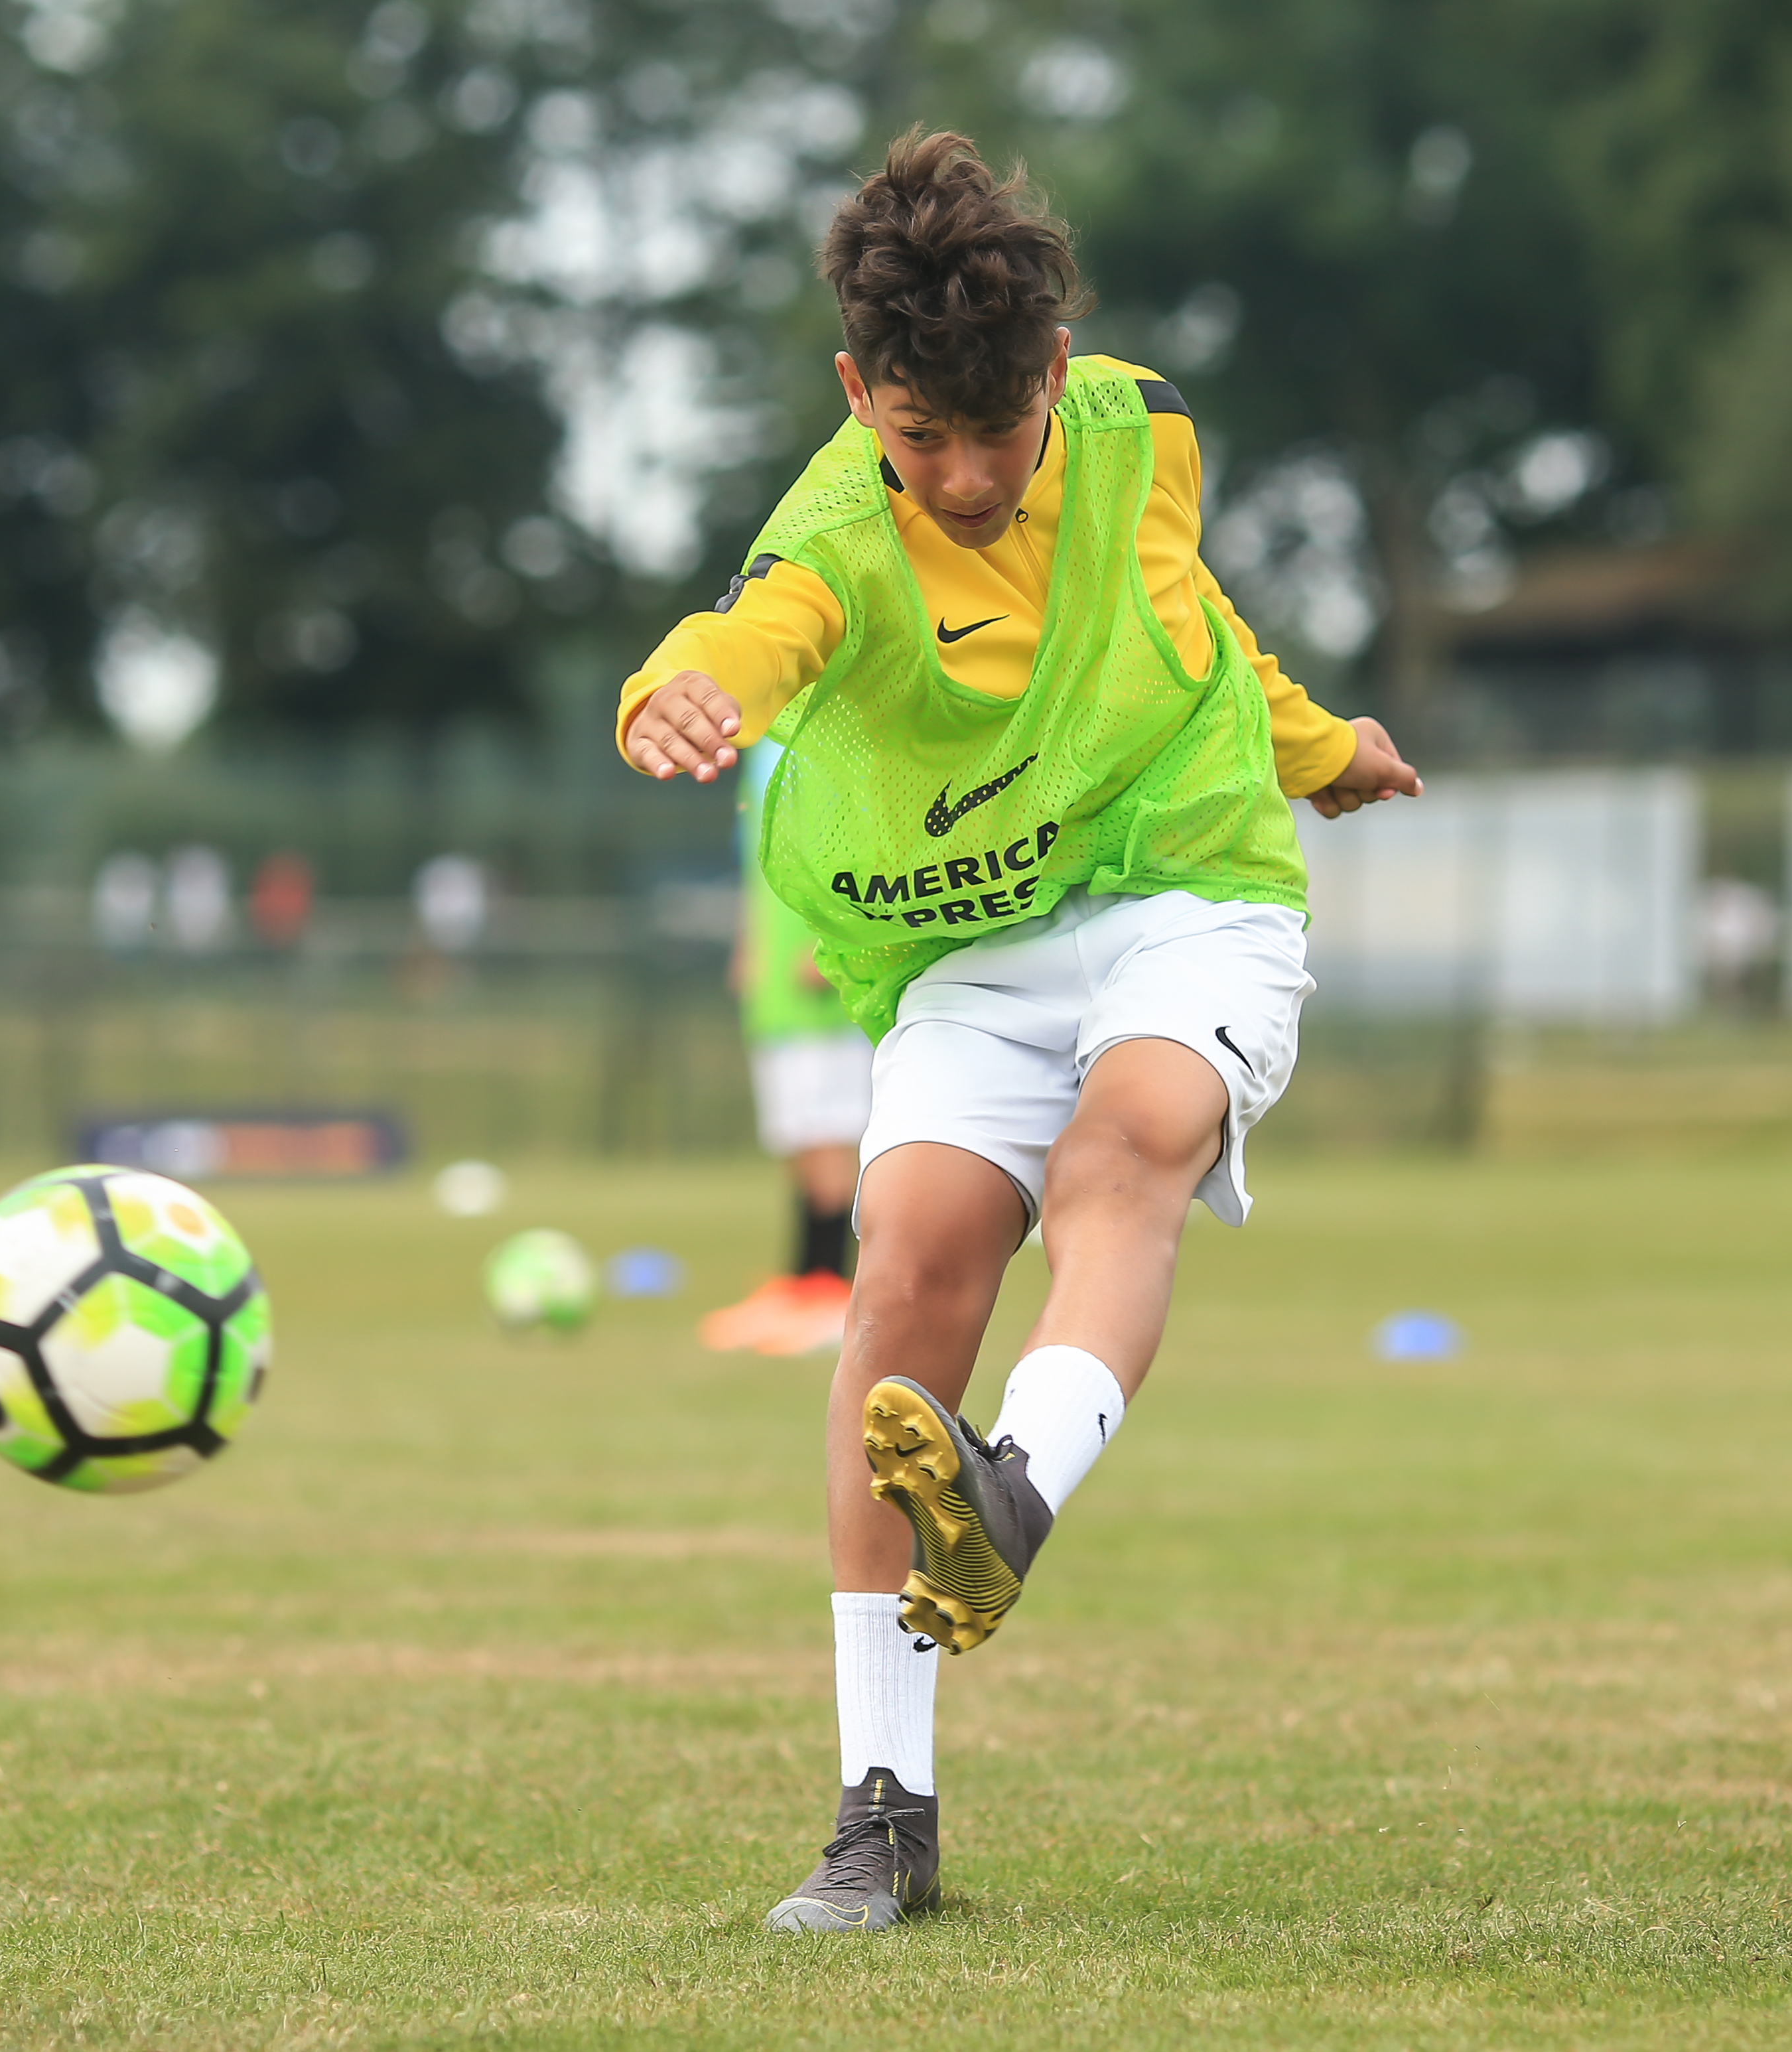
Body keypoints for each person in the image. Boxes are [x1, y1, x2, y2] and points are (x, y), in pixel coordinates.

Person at [616, 129, 1420, 1935]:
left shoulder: (1141, 427)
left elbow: (1181, 610)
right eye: (921, 441)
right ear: (856, 393)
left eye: (1001, 432)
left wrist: (1314, 751)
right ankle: (877, 1814)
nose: (966, 478)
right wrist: (677, 691)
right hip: (972, 931)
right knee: (901, 1272)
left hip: (1185, 883)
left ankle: (1014, 1486)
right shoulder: (838, 515)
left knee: (1124, 1144)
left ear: (1054, 373)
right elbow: (759, 629)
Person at [698, 735, 873, 1359]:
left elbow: (862, 837)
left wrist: (830, 938)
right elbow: (758, 857)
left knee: (830, 1129)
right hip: (774, 976)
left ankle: (835, 1288)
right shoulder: (763, 748)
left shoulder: (832, 737)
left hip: (818, 970)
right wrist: (751, 942)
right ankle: (804, 1280)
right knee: (796, 1130)